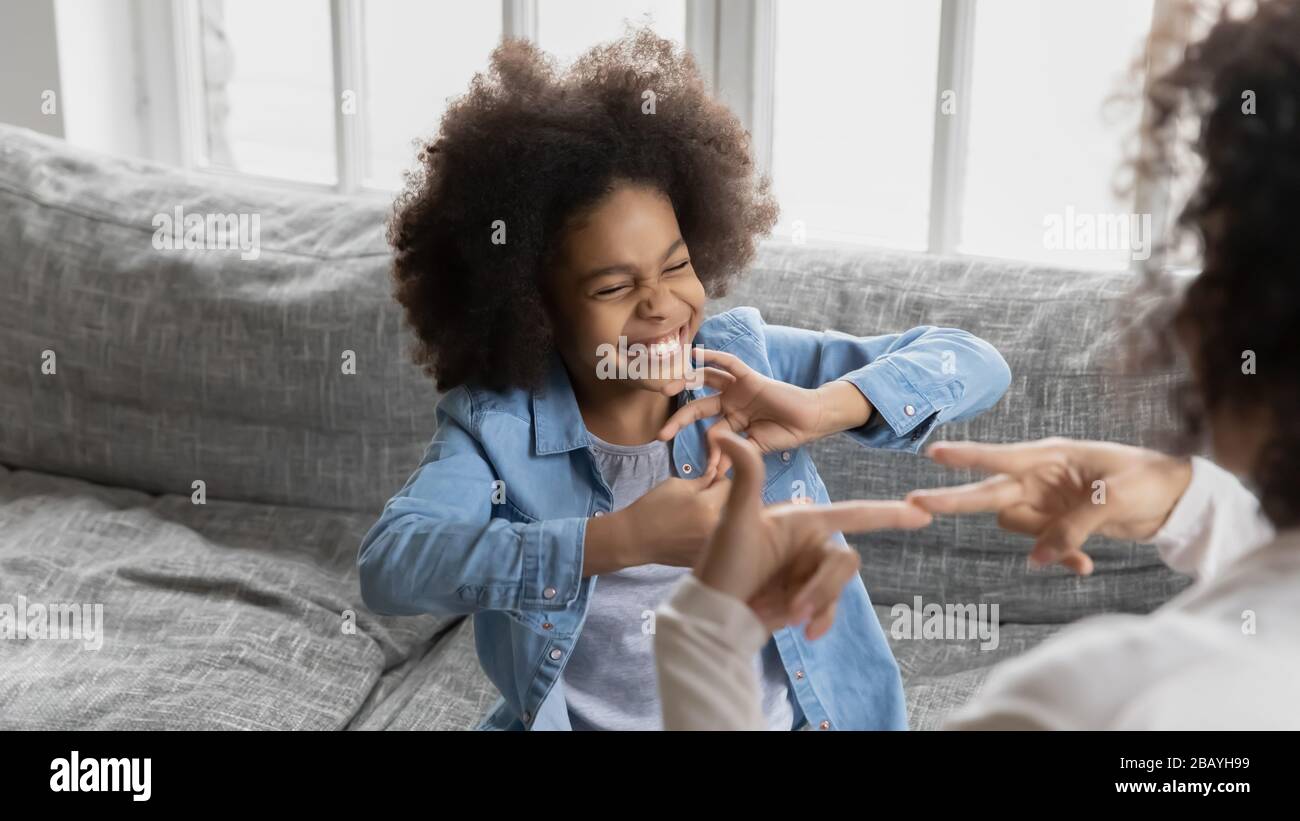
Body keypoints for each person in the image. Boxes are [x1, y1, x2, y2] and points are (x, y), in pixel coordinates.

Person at [653, 0, 1300, 731]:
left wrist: (705, 633)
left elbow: (969, 359)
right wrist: (1197, 502)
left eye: (1209, 262)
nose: (1186, 313)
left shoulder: (1100, 699)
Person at [356, 28, 1011, 731]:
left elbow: (971, 360)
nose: (662, 304)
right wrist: (620, 539)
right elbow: (391, 565)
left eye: (675, 265)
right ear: (534, 309)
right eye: (614, 286)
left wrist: (825, 407)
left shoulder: (744, 363)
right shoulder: (496, 429)